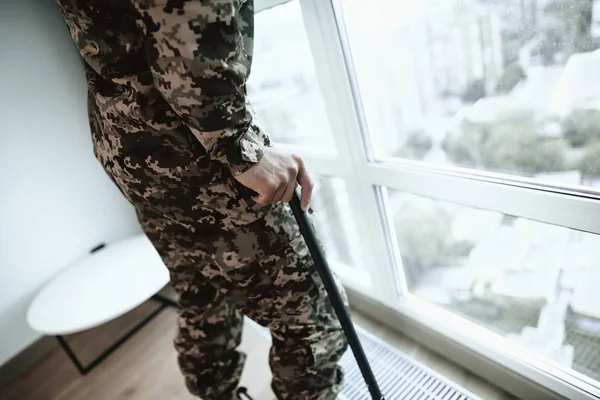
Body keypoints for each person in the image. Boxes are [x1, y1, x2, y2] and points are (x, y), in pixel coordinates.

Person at [55, 1, 349, 399]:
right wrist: (239, 145)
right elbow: (184, 19)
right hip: (195, 155)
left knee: (203, 291)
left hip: (129, 150)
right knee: (314, 316)